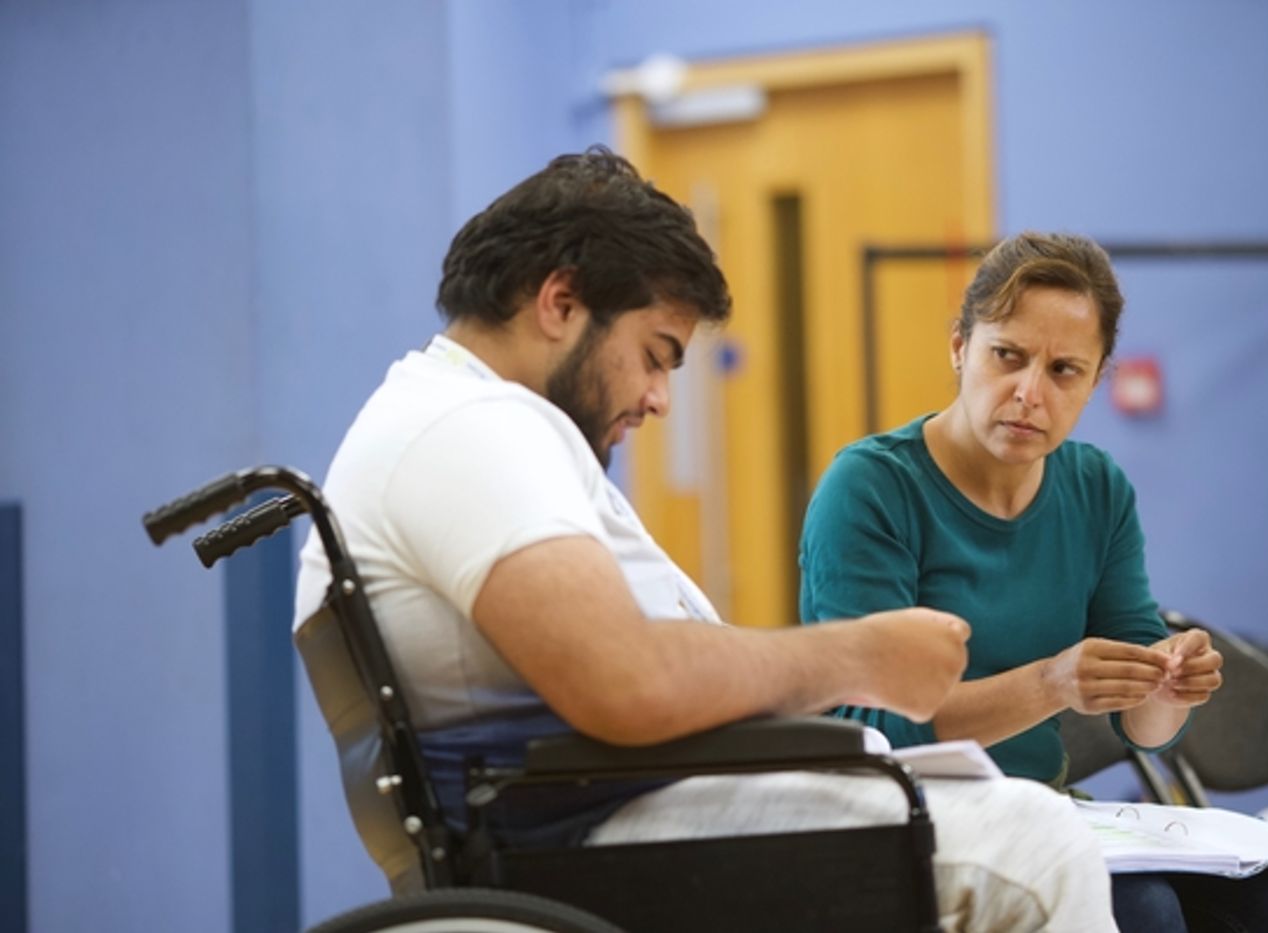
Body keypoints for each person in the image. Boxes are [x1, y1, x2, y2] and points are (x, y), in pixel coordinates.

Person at [295, 150, 1119, 932]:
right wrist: (856, 656)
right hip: (602, 835)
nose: (658, 399)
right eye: (655, 356)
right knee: (1039, 845)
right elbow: (626, 682)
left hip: (608, 814)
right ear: (559, 303)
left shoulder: (463, 422)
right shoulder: (471, 429)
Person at [798, 231, 1268, 932]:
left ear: (1095, 378)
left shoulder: (1095, 487)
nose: (1029, 393)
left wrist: (1167, 688)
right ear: (960, 347)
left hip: (1045, 808)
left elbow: (1145, 728)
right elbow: (872, 731)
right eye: (1008, 356)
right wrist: (1050, 684)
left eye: (1064, 370)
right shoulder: (869, 488)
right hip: (902, 817)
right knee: (1144, 911)